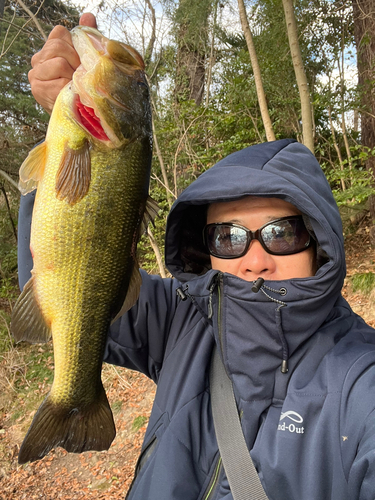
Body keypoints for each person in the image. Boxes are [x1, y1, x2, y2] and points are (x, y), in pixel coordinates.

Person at [18, 14, 375, 500]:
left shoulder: (361, 385)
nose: (254, 260)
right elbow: (64, 290)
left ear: (320, 242)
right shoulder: (181, 323)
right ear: (205, 250)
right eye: (227, 237)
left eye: (282, 232)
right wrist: (57, 130)